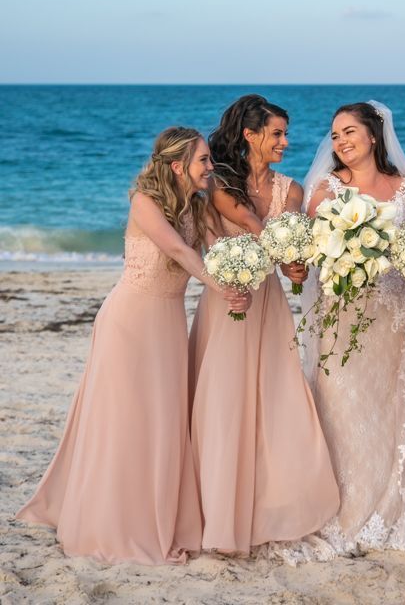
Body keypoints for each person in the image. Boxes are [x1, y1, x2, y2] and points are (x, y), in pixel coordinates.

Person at [17, 128, 246, 565]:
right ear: (178, 165)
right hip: (129, 322)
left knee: (163, 421)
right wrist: (221, 287)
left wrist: (250, 266)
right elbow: (178, 250)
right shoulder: (144, 201)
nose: (210, 167)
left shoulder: (196, 208)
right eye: (203, 161)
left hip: (168, 326)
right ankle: (114, 522)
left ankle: (156, 516)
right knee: (123, 420)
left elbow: (217, 248)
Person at [188, 94, 339, 555]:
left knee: (274, 394)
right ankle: (216, 507)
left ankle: (272, 501)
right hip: (227, 298)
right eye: (276, 133)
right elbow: (233, 231)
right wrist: (267, 249)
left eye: (286, 134)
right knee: (224, 396)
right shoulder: (218, 183)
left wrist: (297, 267)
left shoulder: (290, 191)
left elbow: (288, 254)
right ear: (250, 135)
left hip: (268, 302)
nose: (285, 142)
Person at [300, 100, 405, 556]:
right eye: (335, 134)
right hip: (339, 316)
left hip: (390, 317)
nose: (341, 142)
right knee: (338, 403)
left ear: (374, 135)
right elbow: (306, 253)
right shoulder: (325, 190)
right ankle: (339, 506)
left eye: (349, 132)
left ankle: (389, 502)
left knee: (389, 407)